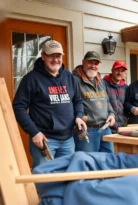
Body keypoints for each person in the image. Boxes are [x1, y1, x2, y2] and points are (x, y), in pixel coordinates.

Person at [13, 40, 86, 168]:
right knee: (44, 180)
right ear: (43, 56)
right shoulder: (31, 79)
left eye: (58, 56)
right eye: (51, 56)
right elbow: (19, 107)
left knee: (67, 176)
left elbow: (78, 101)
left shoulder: (69, 77)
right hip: (44, 141)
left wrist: (79, 116)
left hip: (68, 140)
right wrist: (34, 132)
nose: (55, 59)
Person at [73, 51, 115, 153]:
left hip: (105, 128)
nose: (93, 66)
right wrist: (79, 116)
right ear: (83, 62)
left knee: (108, 161)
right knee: (88, 163)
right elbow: (70, 103)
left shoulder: (101, 80)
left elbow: (107, 101)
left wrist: (111, 114)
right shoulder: (74, 80)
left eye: (96, 63)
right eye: (90, 62)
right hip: (87, 129)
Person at [103, 60, 128, 133]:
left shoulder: (126, 87)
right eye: (117, 70)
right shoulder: (103, 85)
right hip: (107, 127)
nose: (120, 73)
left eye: (122, 71)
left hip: (123, 127)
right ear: (112, 70)